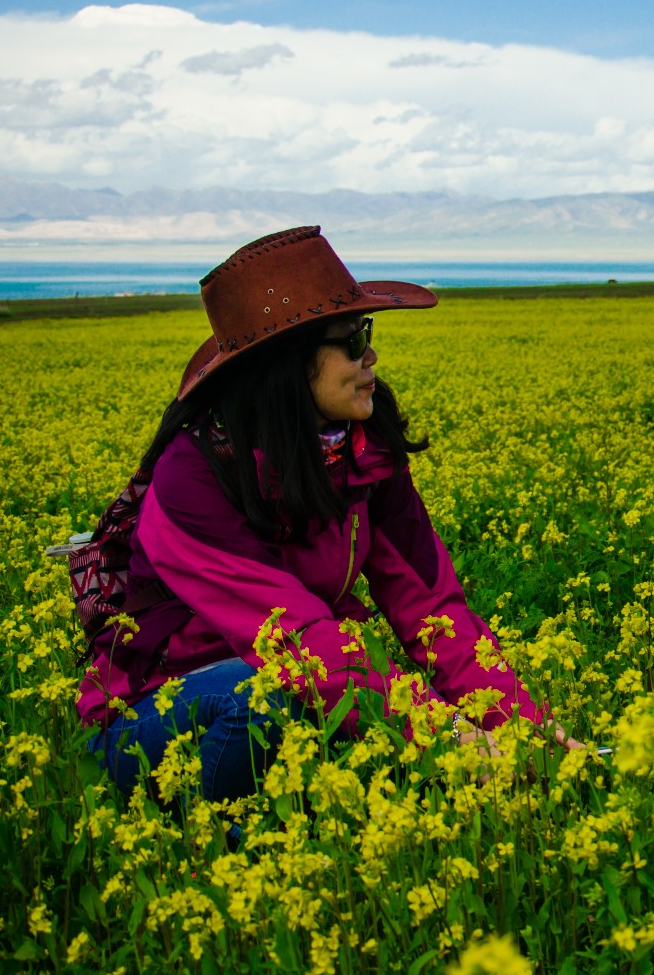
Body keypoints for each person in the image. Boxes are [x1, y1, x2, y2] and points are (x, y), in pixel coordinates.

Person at [76, 226, 577, 802]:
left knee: (319, 708)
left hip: (303, 686)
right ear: (285, 365)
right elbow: (294, 640)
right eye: (351, 339)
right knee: (265, 693)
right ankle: (218, 841)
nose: (371, 355)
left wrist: (518, 728)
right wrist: (448, 737)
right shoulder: (190, 480)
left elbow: (432, 607)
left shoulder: (362, 449)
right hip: (158, 718)